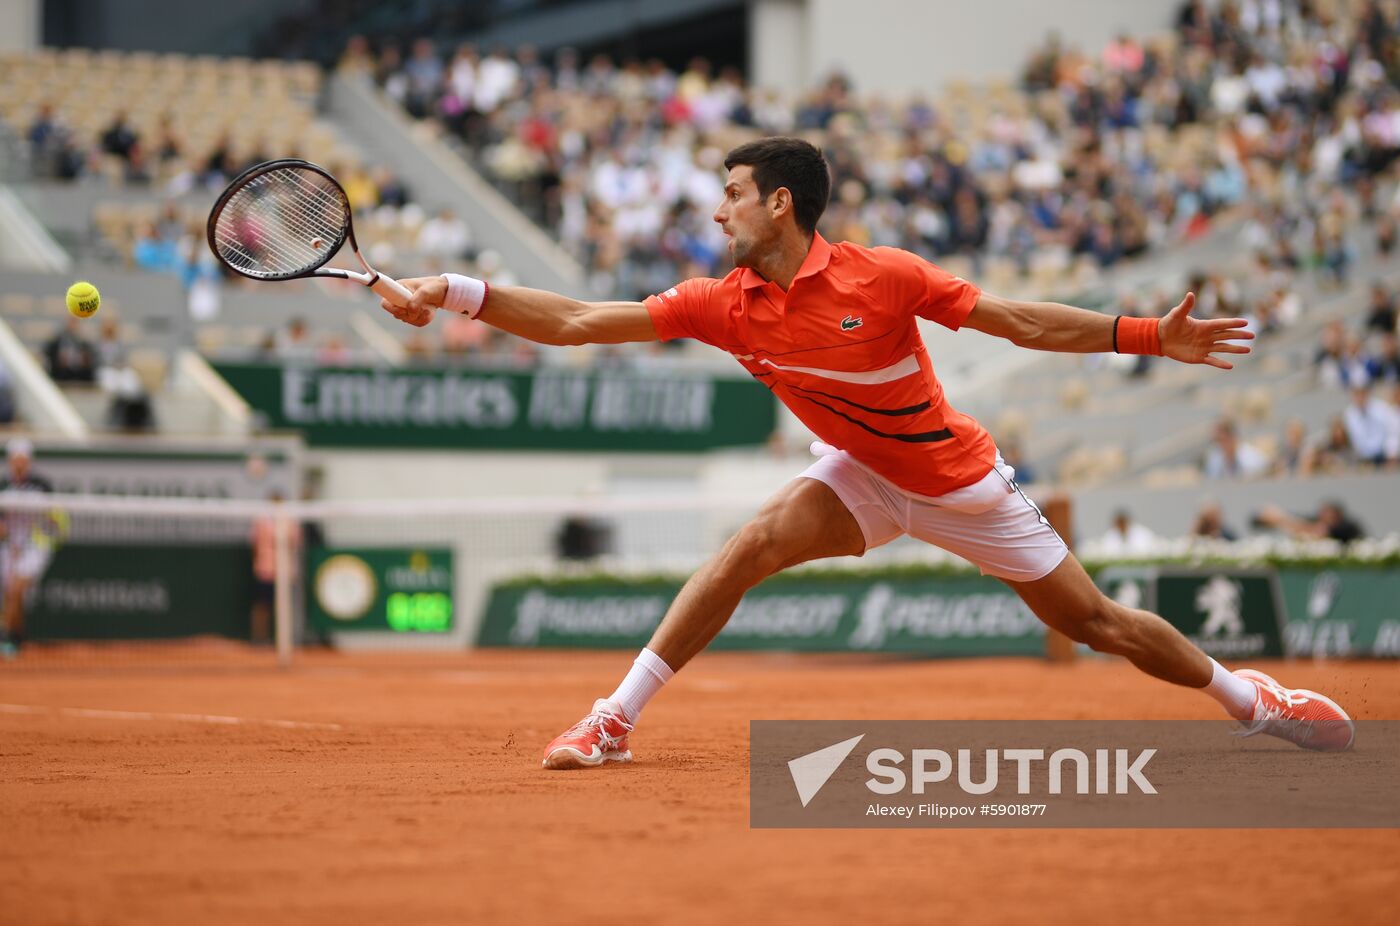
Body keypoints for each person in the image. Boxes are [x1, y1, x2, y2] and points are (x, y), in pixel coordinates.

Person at [380, 136, 1353, 762]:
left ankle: (1247, 698)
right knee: (748, 545)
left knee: (1097, 621)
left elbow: (1016, 320)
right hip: (857, 475)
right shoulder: (722, 302)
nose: (715, 210)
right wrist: (456, 289)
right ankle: (614, 717)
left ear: (781, 206)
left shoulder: (881, 277)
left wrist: (1143, 334)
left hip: (960, 481)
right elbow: (583, 320)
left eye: (731, 194)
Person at [1, 439, 66, 657]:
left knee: (16, 590)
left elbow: (55, 520)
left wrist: (49, 527)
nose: (19, 464)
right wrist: (8, 539)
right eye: (15, 460)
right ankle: (15, 638)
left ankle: (8, 638)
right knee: (12, 595)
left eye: (23, 460)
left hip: (35, 547)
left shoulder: (42, 486)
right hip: (9, 549)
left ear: (29, 461)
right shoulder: (3, 486)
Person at [1093, 509, 1159, 556]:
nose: (1121, 526)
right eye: (1119, 523)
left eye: (1122, 523)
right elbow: (1106, 552)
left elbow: (1146, 551)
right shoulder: (1110, 535)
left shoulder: (1143, 533)